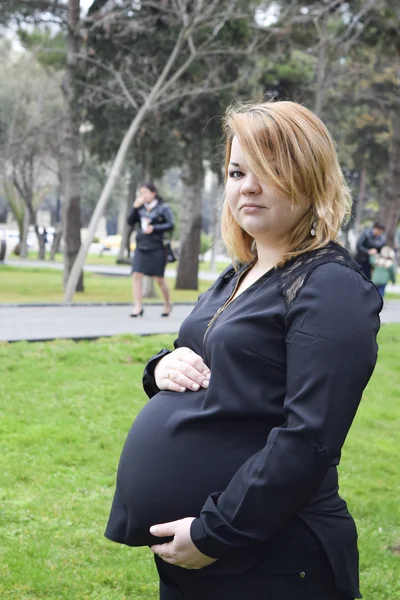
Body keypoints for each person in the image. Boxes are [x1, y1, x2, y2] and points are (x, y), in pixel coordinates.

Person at [105, 101, 383, 600]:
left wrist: (216, 533)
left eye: (269, 171)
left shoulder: (331, 287)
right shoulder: (241, 273)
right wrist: (160, 368)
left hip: (270, 555)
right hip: (209, 559)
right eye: (237, 171)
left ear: (311, 179)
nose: (247, 186)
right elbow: (207, 357)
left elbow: (309, 437)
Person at [127, 182, 174, 317]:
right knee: (136, 275)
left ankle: (167, 303)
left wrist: (154, 228)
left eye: (145, 192)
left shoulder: (162, 208)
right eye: (141, 193)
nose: (143, 196)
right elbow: (130, 222)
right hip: (141, 245)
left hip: (157, 246)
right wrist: (134, 208)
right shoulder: (140, 208)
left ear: (153, 193)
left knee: (159, 278)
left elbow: (171, 224)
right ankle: (138, 306)